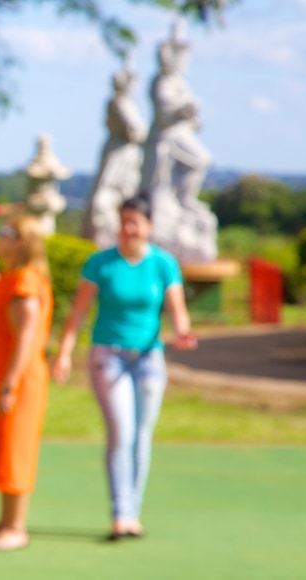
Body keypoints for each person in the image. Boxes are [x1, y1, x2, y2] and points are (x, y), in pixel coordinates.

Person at [51, 194, 197, 541]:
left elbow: (176, 309)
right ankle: (120, 513)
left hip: (148, 358)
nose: (128, 229)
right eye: (124, 221)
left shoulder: (163, 264)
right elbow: (79, 312)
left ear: (149, 226)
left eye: (135, 222)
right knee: (122, 432)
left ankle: (134, 511)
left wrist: (182, 332)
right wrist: (65, 353)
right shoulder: (101, 263)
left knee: (142, 435)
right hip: (108, 356)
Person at [0, 215, 53, 552]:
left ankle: (16, 527)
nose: (0, 237)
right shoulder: (13, 279)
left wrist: (10, 384)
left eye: (8, 233)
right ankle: (3, 523)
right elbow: (1, 303)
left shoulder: (27, 283)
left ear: (24, 242)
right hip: (1, 377)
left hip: (17, 380)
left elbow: (26, 339)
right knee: (3, 449)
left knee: (15, 450)